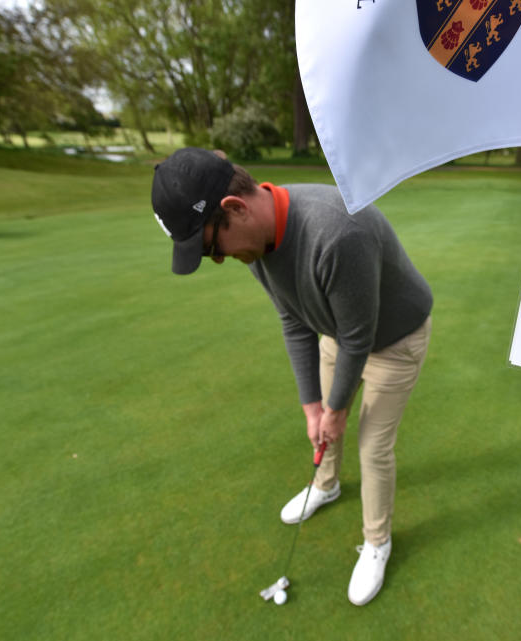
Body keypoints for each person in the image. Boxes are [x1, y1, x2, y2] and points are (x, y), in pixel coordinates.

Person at [150, 147, 433, 606]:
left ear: (235, 208)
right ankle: (327, 484)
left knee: (371, 446)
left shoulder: (338, 232)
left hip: (394, 340)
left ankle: (378, 542)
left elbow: (359, 339)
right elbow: (294, 320)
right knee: (322, 422)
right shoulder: (256, 244)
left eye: (209, 248)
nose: (218, 260)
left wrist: (336, 410)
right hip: (335, 332)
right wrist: (312, 407)